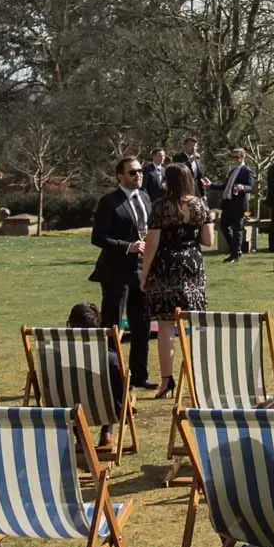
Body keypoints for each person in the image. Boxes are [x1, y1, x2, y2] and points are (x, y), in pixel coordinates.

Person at [143, 164, 214, 395]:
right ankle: (199, 377)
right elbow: (208, 240)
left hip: (166, 266)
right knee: (195, 322)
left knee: (165, 326)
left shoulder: (160, 207)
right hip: (192, 264)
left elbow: (152, 244)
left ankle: (166, 381)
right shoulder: (200, 205)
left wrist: (144, 273)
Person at [88, 154, 155, 390]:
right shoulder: (110, 201)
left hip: (142, 271)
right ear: (120, 176)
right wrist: (128, 247)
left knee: (142, 325)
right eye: (132, 172)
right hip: (116, 271)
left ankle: (139, 375)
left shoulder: (146, 198)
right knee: (114, 325)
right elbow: (98, 238)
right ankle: (112, 376)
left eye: (140, 171)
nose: (138, 175)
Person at [218, 146, 255, 262]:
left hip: (238, 205)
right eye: (233, 157)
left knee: (237, 229)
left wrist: (243, 187)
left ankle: (235, 253)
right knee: (223, 226)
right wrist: (210, 185)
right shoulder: (232, 171)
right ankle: (235, 250)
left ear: (242, 157)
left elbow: (251, 187)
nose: (234, 159)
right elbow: (225, 186)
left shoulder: (247, 170)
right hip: (228, 203)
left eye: (236, 157)